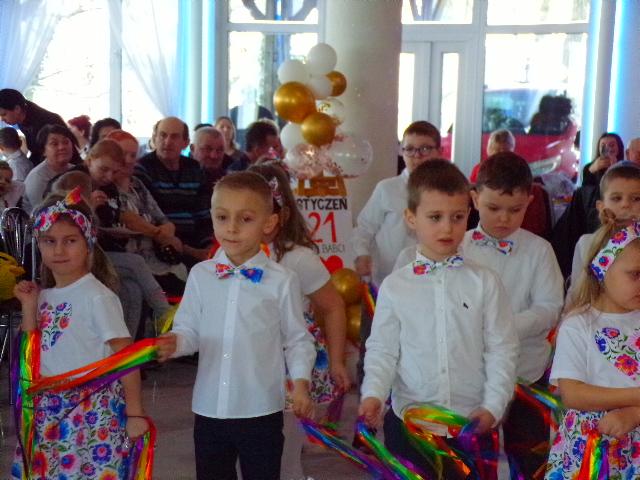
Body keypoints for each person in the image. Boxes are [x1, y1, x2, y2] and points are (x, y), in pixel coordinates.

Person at [359, 159, 518, 479]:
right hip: (410, 425)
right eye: (435, 217)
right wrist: (373, 393)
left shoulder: (485, 282)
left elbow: (502, 348)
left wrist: (493, 405)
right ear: (411, 218)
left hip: (471, 423)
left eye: (457, 217)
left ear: (468, 214)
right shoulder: (395, 286)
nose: (447, 228)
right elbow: (382, 350)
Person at [156, 171, 315, 480]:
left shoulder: (282, 281)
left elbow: (297, 339)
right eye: (222, 217)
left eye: (245, 219)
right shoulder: (201, 275)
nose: (231, 227)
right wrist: (175, 343)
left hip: (260, 408)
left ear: (268, 223)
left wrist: (301, 383)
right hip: (209, 407)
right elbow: (189, 330)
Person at [10, 190, 148, 480]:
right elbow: (30, 356)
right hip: (49, 410)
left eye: (70, 240)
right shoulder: (45, 296)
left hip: (90, 414)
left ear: (89, 243)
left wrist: (135, 413)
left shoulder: (97, 297)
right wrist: (29, 307)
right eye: (49, 241)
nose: (59, 250)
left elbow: (127, 358)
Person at [464, 152, 563, 477]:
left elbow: (550, 308)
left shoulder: (540, 250)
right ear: (474, 198)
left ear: (529, 202)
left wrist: (503, 327)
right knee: (476, 459)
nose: (504, 218)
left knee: (530, 458)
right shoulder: (458, 248)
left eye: (515, 209)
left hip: (526, 371)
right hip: (475, 376)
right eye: (494, 208)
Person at [249, 163, 350, 480]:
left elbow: (333, 307)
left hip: (290, 362)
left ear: (280, 215)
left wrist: (336, 361)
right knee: (249, 443)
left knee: (285, 449)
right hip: (249, 360)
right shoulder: (229, 258)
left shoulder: (298, 258)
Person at [545, 216, 640, 479]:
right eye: (635, 274)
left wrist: (634, 413)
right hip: (592, 449)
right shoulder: (578, 325)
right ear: (601, 269)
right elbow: (573, 394)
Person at [107, 129, 188, 295]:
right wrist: (158, 233)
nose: (129, 160)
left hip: (155, 256)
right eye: (123, 154)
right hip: (129, 258)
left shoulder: (137, 184)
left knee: (185, 272)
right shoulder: (105, 188)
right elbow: (129, 220)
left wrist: (168, 231)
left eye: (133, 155)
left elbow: (162, 218)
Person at [134, 117, 211, 264]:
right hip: (161, 246)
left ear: (185, 143)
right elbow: (153, 218)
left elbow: (203, 215)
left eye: (174, 137)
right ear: (154, 138)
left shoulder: (195, 168)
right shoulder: (143, 169)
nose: (167, 142)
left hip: (196, 242)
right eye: (163, 135)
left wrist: (208, 247)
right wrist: (190, 250)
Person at [567, 163, 640, 302]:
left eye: (636, 198)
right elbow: (576, 293)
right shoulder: (587, 243)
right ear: (601, 206)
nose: (625, 205)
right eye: (616, 198)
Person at [0, 88, 66, 165]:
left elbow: (48, 156)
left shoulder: (44, 123)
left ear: (17, 109)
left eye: (4, 114)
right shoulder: (22, 118)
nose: (2, 119)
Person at [23, 124, 75, 212]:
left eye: (66, 142)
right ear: (43, 151)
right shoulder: (37, 178)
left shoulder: (75, 170)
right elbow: (45, 213)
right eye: (54, 144)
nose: (62, 147)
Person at [190, 126, 231, 197]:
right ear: (193, 149)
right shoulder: (181, 180)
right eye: (207, 149)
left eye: (220, 150)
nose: (214, 156)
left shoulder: (229, 183)